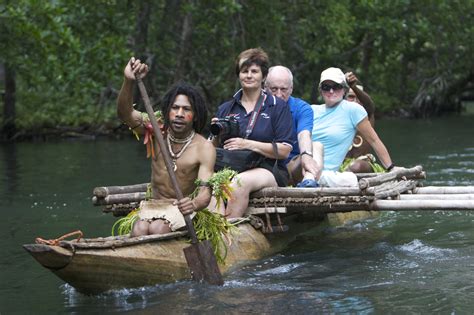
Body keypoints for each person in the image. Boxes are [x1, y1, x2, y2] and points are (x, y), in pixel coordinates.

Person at [117, 57, 215, 236]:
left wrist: (192, 204)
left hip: (184, 211)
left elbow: (205, 192)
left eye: (186, 109)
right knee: (139, 229)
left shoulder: (204, 147)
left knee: (157, 229)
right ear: (167, 110)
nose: (179, 114)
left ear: (195, 115)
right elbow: (125, 114)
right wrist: (128, 81)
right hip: (153, 206)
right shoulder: (155, 130)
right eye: (175, 108)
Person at [213, 48, 293, 218]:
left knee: (238, 184)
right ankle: (217, 229)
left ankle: (230, 230)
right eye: (244, 71)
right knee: (210, 183)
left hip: (268, 168)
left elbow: (285, 150)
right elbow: (212, 148)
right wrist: (215, 134)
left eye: (254, 71)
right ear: (239, 75)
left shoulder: (277, 106)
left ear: (263, 77)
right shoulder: (226, 108)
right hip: (231, 166)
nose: (249, 75)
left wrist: (247, 144)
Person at [311, 67, 396, 187]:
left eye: (336, 86)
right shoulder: (311, 110)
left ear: (343, 89)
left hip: (326, 174)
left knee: (355, 168)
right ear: (321, 90)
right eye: (326, 87)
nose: (331, 91)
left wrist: (391, 168)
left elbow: (374, 140)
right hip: (306, 166)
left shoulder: (354, 110)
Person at [264, 65, 323, 187]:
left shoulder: (301, 108)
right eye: (274, 89)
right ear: (265, 88)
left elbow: (304, 134)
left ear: (291, 89)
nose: (279, 95)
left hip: (291, 167)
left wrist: (306, 156)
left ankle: (309, 182)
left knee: (317, 146)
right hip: (264, 167)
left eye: (284, 89)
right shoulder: (257, 107)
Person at [342, 71, 379, 173]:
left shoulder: (367, 114)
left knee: (357, 166)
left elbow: (369, 104)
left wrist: (354, 87)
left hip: (363, 164)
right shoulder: (337, 113)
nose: (356, 101)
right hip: (339, 165)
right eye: (351, 97)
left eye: (359, 98)